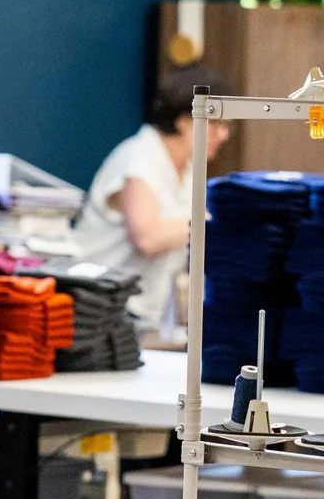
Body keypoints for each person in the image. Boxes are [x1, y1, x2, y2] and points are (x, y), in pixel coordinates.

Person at [70, 68, 230, 326]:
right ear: (184, 120)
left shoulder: (188, 168)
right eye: (216, 124)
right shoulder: (139, 158)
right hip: (95, 306)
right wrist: (214, 220)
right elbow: (147, 238)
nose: (224, 135)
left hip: (141, 309)